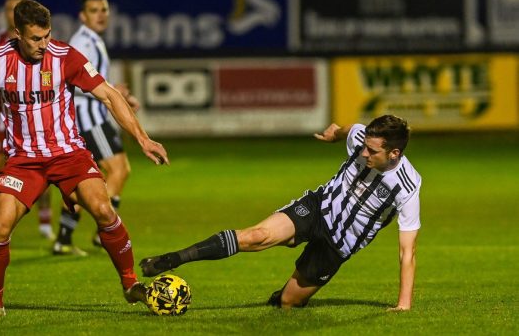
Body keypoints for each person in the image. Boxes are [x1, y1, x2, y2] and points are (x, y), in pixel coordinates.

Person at [0, 0, 169, 318]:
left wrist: (142, 138)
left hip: (68, 154)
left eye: (47, 35)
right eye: (35, 38)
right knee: (0, 226)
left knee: (103, 209)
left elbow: (109, 95)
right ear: (17, 33)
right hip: (23, 160)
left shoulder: (64, 56)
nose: (44, 44)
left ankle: (130, 286)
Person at [140, 115, 420, 311]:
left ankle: (284, 296)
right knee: (257, 236)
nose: (364, 153)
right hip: (317, 208)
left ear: (394, 153)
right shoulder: (362, 139)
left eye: (372, 151)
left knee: (288, 303)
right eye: (364, 146)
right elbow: (351, 130)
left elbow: (407, 252)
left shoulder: (407, 186)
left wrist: (403, 304)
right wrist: (335, 134)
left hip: (338, 245)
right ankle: (173, 258)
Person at [52, 0, 140, 256]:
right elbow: (76, 81)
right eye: (94, 10)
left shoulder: (91, 39)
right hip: (89, 117)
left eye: (104, 9)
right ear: (83, 15)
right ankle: (106, 232)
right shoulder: (83, 41)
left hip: (93, 114)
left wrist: (116, 92)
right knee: (119, 169)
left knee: (86, 180)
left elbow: (94, 80)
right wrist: (112, 92)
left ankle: (64, 238)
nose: (101, 15)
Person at [0, 0, 54, 240]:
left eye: (15, 9)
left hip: (32, 120)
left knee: (44, 171)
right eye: (8, 9)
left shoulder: (42, 43)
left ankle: (45, 223)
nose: (11, 13)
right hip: (2, 119)